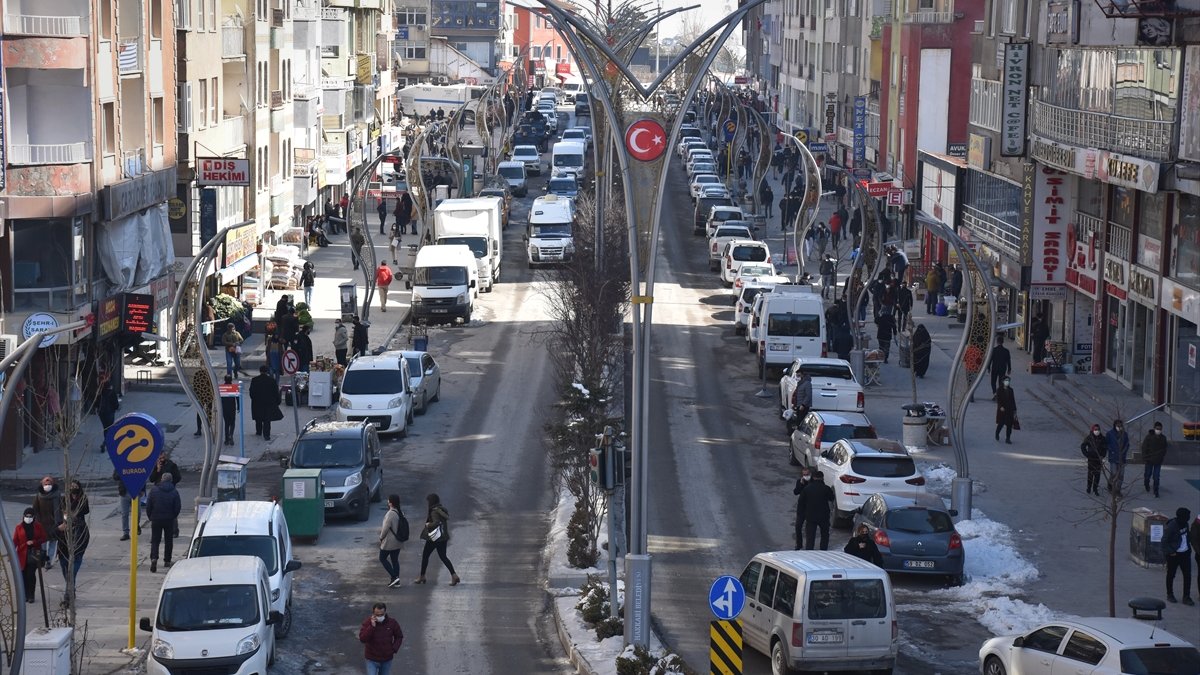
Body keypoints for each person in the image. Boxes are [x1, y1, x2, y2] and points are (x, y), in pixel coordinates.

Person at [414, 493, 459, 585]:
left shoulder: (434, 511)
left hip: (434, 538)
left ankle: (422, 576)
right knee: (443, 557)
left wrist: (428, 525)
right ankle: (454, 575)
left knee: (425, 556)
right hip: (443, 537)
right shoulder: (441, 510)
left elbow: (436, 523)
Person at [57, 479, 90, 587]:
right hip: (65, 536)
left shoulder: (83, 498)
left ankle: (69, 591)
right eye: (72, 487)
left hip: (79, 532)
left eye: (75, 487)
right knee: (65, 568)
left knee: (73, 571)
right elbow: (62, 511)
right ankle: (70, 588)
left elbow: (86, 510)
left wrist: (75, 515)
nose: (73, 489)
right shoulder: (64, 499)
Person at [145, 475, 181, 573]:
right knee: (168, 540)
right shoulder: (174, 491)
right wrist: (173, 516)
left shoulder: (154, 490)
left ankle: (154, 558)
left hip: (156, 519)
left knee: (155, 540)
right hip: (169, 519)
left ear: (161, 479)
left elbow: (148, 505)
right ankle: (167, 560)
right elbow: (177, 507)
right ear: (171, 480)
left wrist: (150, 517)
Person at [13, 507, 48, 603]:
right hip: (22, 554)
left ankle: (31, 595)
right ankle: (24, 595)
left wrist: (34, 542)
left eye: (30, 516)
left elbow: (44, 538)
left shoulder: (38, 526)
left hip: (33, 554)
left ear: (33, 517)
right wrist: (11, 553)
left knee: (30, 575)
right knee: (23, 576)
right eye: (26, 516)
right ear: (23, 516)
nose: (28, 518)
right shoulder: (19, 527)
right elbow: (15, 541)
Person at [359, 602, 404, 675]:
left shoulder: (392, 623)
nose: (379, 616)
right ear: (373, 613)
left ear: (385, 612)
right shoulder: (367, 623)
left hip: (386, 659)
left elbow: (399, 636)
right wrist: (372, 627)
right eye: (377, 614)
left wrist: (393, 649)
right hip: (371, 659)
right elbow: (362, 639)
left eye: (381, 614)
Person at [1162, 507, 1193, 605]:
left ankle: (1186, 597)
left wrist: (1188, 548)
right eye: (1187, 516)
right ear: (1182, 517)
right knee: (1171, 574)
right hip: (1174, 555)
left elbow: (1187, 536)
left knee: (1187, 575)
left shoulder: (1185, 524)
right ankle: (1170, 594)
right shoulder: (1172, 526)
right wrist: (1171, 552)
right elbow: (1164, 541)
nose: (1188, 518)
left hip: (1185, 554)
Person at [32, 476, 63, 569]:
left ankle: (49, 561)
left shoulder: (57, 495)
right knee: (43, 544)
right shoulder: (39, 496)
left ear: (52, 485)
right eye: (45, 484)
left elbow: (61, 508)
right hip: (42, 524)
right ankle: (43, 558)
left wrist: (61, 521)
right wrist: (37, 520)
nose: (47, 486)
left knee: (53, 543)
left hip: (54, 524)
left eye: (49, 484)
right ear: (42, 485)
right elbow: (35, 509)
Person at [379, 495, 409, 588]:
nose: (387, 502)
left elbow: (385, 528)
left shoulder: (390, 514)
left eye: (388, 500)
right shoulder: (400, 512)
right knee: (395, 560)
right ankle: (396, 581)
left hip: (389, 542)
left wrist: (381, 537)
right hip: (398, 541)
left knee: (382, 558)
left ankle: (394, 577)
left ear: (391, 503)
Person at [800, 472, 835, 550]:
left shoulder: (807, 488)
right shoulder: (826, 488)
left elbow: (801, 502)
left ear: (813, 477)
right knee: (825, 535)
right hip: (824, 516)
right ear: (822, 478)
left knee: (810, 537)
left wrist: (802, 514)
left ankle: (809, 552)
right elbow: (831, 498)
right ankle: (823, 551)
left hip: (810, 516)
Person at [250, 365, 283, 442]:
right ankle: (266, 435)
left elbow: (251, 392)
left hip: (257, 403)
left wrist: (254, 399)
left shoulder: (254, 380)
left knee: (258, 418)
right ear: (267, 371)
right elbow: (276, 392)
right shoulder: (272, 380)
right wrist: (278, 401)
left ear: (260, 371)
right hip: (269, 403)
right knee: (267, 419)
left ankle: (258, 432)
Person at [1141, 421, 1167, 497]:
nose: (1158, 430)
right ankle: (1146, 483)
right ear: (1154, 428)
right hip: (1149, 459)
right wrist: (1145, 457)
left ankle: (1156, 490)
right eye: (1157, 428)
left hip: (1158, 460)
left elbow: (1164, 448)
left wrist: (1161, 456)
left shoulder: (1163, 438)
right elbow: (1144, 447)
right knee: (1147, 474)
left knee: (1156, 476)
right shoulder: (1149, 437)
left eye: (1160, 429)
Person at [1080, 424, 1106, 495]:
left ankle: (1095, 489)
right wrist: (1086, 454)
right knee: (1090, 474)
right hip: (1091, 458)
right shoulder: (1089, 437)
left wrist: (1103, 455)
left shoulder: (1102, 438)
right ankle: (1089, 487)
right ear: (1092, 430)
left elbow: (1105, 448)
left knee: (1097, 475)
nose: (1097, 431)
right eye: (1095, 429)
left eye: (1098, 429)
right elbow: (1083, 446)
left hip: (1098, 459)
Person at [1105, 419, 1130, 493]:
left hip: (1122, 458)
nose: (1119, 427)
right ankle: (1110, 484)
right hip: (1113, 457)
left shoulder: (1125, 434)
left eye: (1120, 425)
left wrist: (1124, 451)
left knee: (1121, 475)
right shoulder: (1110, 434)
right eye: (1118, 425)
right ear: (1114, 425)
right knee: (1114, 473)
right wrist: (1111, 450)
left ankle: (1118, 490)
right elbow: (1106, 443)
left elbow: (1127, 444)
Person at [97, 380, 120, 453]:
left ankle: (106, 443)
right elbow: (116, 404)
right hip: (109, 413)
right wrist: (117, 408)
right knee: (110, 428)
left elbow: (96, 403)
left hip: (101, 413)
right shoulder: (112, 393)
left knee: (105, 428)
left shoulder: (100, 392)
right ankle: (105, 443)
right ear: (110, 386)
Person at [792, 468, 813, 550]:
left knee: (809, 528)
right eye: (804, 475)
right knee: (798, 526)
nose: (805, 476)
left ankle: (809, 545)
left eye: (807, 474)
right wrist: (801, 484)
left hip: (810, 507)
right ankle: (799, 544)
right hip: (802, 508)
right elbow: (796, 492)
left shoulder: (813, 482)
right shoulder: (800, 481)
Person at [994, 377, 1016, 444]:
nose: (1007, 382)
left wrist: (1014, 409)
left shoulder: (1011, 390)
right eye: (1006, 381)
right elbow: (998, 400)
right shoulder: (999, 390)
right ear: (1003, 381)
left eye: (1008, 381)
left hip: (1009, 409)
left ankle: (1008, 438)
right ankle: (997, 433)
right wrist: (1000, 407)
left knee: (1009, 425)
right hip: (1002, 410)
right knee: (1001, 423)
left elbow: (1013, 400)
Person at [221, 374, 239, 446]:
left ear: (224, 380)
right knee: (232, 422)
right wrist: (238, 407)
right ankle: (231, 434)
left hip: (225, 408)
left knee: (226, 423)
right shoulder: (234, 387)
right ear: (231, 380)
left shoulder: (222, 387)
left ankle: (226, 439)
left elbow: (220, 398)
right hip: (232, 407)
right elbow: (237, 398)